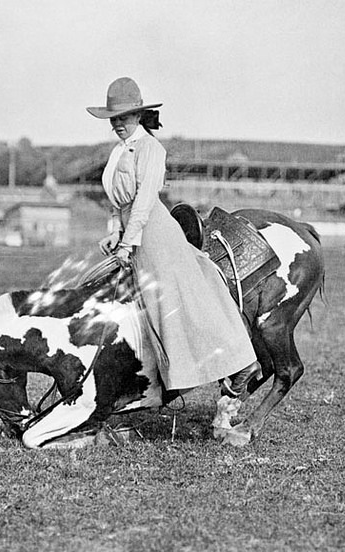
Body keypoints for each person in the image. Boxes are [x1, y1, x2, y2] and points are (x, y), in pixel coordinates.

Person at [87, 77, 259, 395]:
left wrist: (128, 241)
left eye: (123, 118)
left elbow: (144, 200)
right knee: (144, 308)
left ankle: (239, 362)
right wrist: (114, 233)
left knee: (175, 302)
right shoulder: (118, 152)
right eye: (113, 119)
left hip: (154, 232)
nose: (118, 125)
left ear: (138, 116)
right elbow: (117, 201)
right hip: (134, 234)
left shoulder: (152, 149)